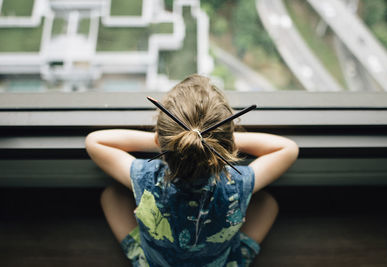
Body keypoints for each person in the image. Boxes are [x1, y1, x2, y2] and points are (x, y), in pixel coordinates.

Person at [85, 74, 299, 266]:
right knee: (267, 204)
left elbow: (95, 142)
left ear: (159, 140)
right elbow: (288, 149)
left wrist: (168, 141)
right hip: (217, 262)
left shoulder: (146, 178)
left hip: (158, 263)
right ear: (227, 144)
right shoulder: (236, 185)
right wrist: (217, 142)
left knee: (111, 195)